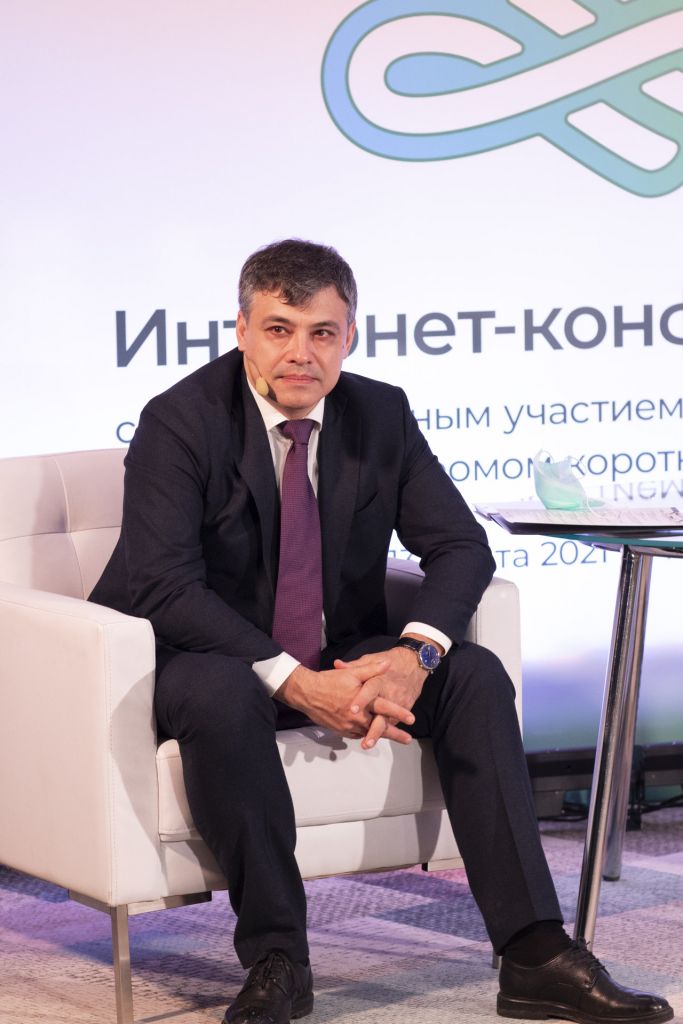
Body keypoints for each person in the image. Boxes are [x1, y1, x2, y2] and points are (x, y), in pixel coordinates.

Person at [90, 239, 672, 1024]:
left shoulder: (379, 413)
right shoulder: (181, 420)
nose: (300, 353)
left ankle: (534, 953)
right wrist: (294, 681)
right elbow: (165, 585)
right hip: (209, 654)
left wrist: (412, 656)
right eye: (278, 329)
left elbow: (460, 546)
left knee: (473, 675)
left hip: (338, 648)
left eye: (322, 333)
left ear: (350, 337)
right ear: (242, 330)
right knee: (224, 695)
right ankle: (277, 960)